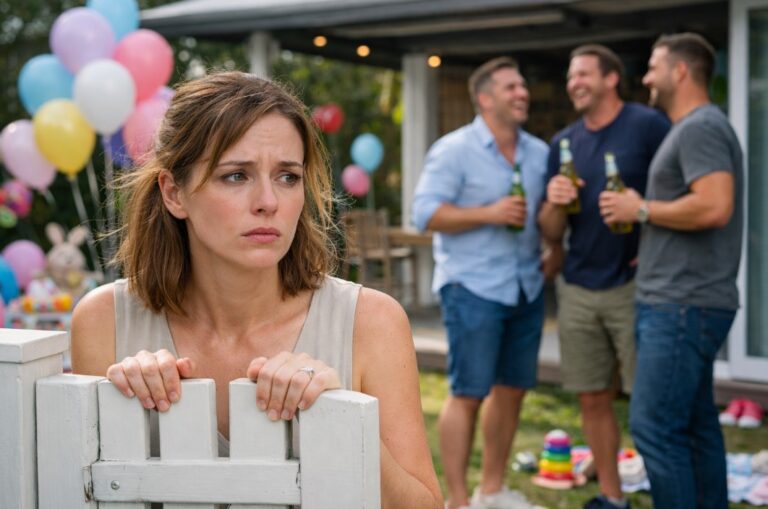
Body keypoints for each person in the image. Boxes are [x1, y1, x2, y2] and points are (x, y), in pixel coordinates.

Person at [70, 71, 443, 509]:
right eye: (236, 176)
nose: (269, 201)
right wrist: (125, 399)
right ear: (174, 193)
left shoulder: (371, 322)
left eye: (287, 177)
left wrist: (341, 414)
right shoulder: (105, 322)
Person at [599, 33, 743, 509]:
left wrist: (640, 209)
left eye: (653, 66)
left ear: (680, 71)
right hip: (683, 300)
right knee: (695, 426)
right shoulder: (695, 127)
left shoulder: (700, 127)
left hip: (681, 306)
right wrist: (654, 243)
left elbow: (715, 205)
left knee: (654, 427)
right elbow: (695, 209)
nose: (645, 78)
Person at [413, 57, 554, 509]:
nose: (522, 93)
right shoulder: (454, 150)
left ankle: (491, 491)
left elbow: (549, 217)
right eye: (511, 87)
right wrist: (489, 213)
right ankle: (457, 501)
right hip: (471, 287)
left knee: (512, 391)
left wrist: (555, 246)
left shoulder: (539, 153)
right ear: (485, 98)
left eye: (523, 85)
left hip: (526, 286)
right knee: (468, 393)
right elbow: (424, 214)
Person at [537, 44, 670, 509]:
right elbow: (550, 231)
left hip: (637, 285)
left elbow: (675, 191)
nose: (573, 83)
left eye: (583, 74)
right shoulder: (564, 143)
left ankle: (668, 492)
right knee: (592, 398)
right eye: (570, 76)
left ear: (611, 78)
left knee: (650, 401)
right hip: (577, 286)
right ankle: (612, 497)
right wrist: (555, 201)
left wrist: (652, 240)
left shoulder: (647, 126)